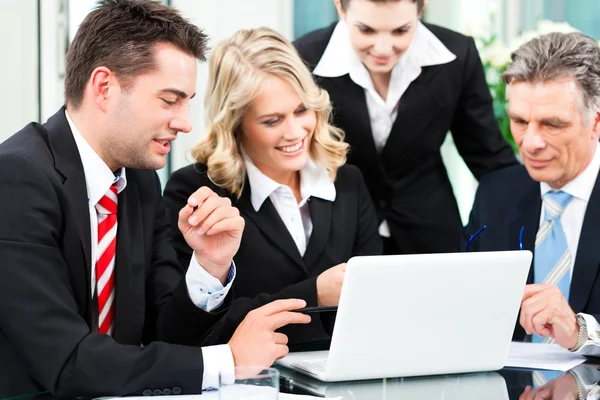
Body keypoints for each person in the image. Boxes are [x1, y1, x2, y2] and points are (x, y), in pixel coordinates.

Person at [0, 1, 311, 397]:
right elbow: (67, 362)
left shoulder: (140, 181)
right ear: (104, 87)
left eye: (187, 102)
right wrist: (227, 360)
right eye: (169, 100)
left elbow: (164, 336)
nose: (184, 122)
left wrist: (209, 266)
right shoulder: (17, 177)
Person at [164, 27, 382, 346]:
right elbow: (193, 330)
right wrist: (314, 294)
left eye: (301, 111)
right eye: (272, 121)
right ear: (236, 125)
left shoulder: (347, 181)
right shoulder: (196, 192)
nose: (295, 132)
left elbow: (372, 305)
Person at [294, 0, 518, 255]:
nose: (383, 48)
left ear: (421, 9)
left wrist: (533, 202)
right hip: (341, 231)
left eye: (400, 31)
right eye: (366, 30)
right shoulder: (305, 58)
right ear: (340, 8)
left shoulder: (456, 55)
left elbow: (486, 153)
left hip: (430, 231)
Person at [463, 32, 600, 354]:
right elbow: (465, 307)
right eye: (520, 121)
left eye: (552, 124)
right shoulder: (496, 192)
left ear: (595, 123)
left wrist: (582, 331)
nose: (530, 142)